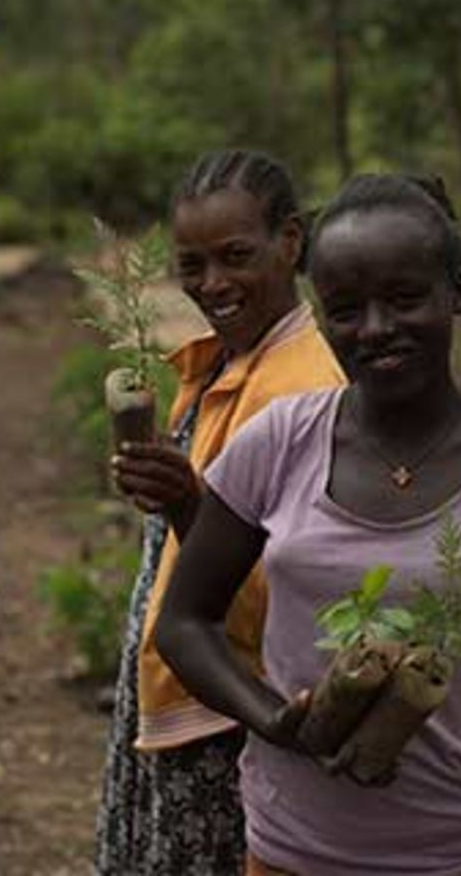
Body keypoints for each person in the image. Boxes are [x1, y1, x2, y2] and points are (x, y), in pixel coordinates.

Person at [156, 173, 461, 875]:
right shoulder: (280, 441)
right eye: (345, 310)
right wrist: (274, 718)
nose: (376, 329)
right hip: (297, 851)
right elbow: (184, 625)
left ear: (456, 295)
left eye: (406, 299)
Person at [96, 150, 346, 875]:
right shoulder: (226, 366)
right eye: (192, 265)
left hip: (230, 715)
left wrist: (186, 503)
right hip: (185, 694)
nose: (213, 284)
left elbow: (289, 594)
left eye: (236, 257)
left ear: (291, 241)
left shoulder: (301, 393)